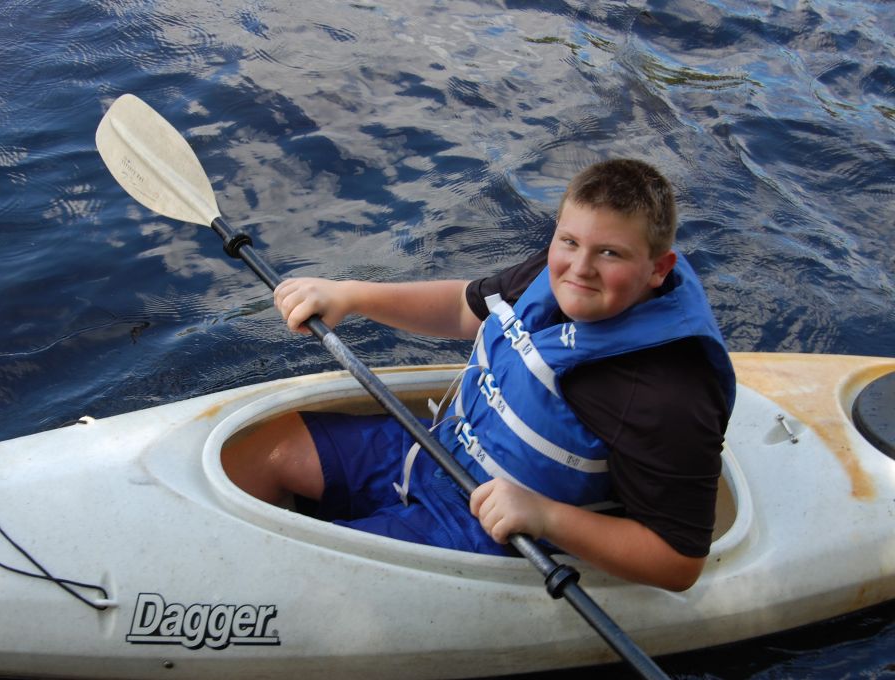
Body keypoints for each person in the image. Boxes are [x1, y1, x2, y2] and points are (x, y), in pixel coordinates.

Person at [222, 159, 735, 592]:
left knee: (308, 577)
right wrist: (350, 295)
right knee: (273, 449)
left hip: (497, 534)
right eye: (569, 241)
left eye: (610, 253)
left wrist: (544, 516)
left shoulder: (667, 396)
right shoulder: (558, 273)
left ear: (659, 268)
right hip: (439, 452)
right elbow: (464, 308)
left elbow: (679, 562)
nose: (580, 267)